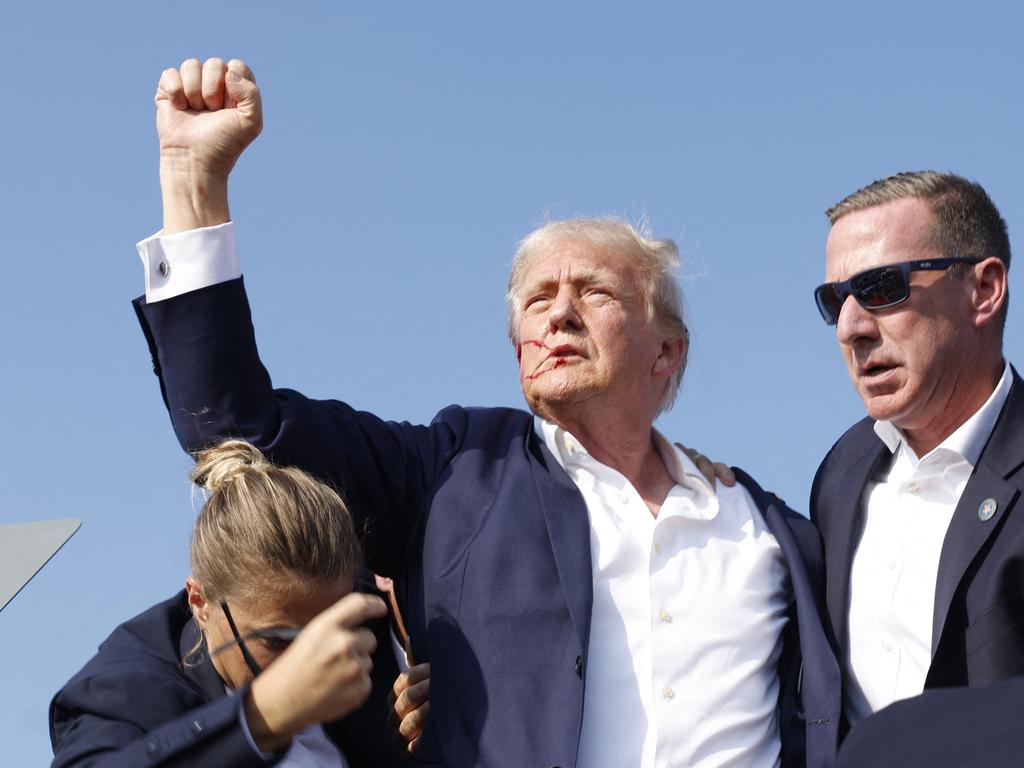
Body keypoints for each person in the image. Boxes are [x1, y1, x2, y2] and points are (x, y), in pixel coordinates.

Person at [134, 57, 840, 767]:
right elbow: (239, 430)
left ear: (667, 353)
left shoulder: (773, 530)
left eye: (594, 292)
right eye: (537, 299)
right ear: (518, 352)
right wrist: (194, 185)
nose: (559, 311)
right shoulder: (452, 473)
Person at [50, 440, 423, 767]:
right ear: (200, 602)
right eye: (276, 640)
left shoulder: (376, 620)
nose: (313, 660)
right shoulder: (126, 693)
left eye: (333, 629)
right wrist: (262, 717)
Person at [810, 172, 1024, 733]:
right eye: (836, 300)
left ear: (984, 290)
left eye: (883, 287)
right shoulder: (840, 475)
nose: (851, 327)